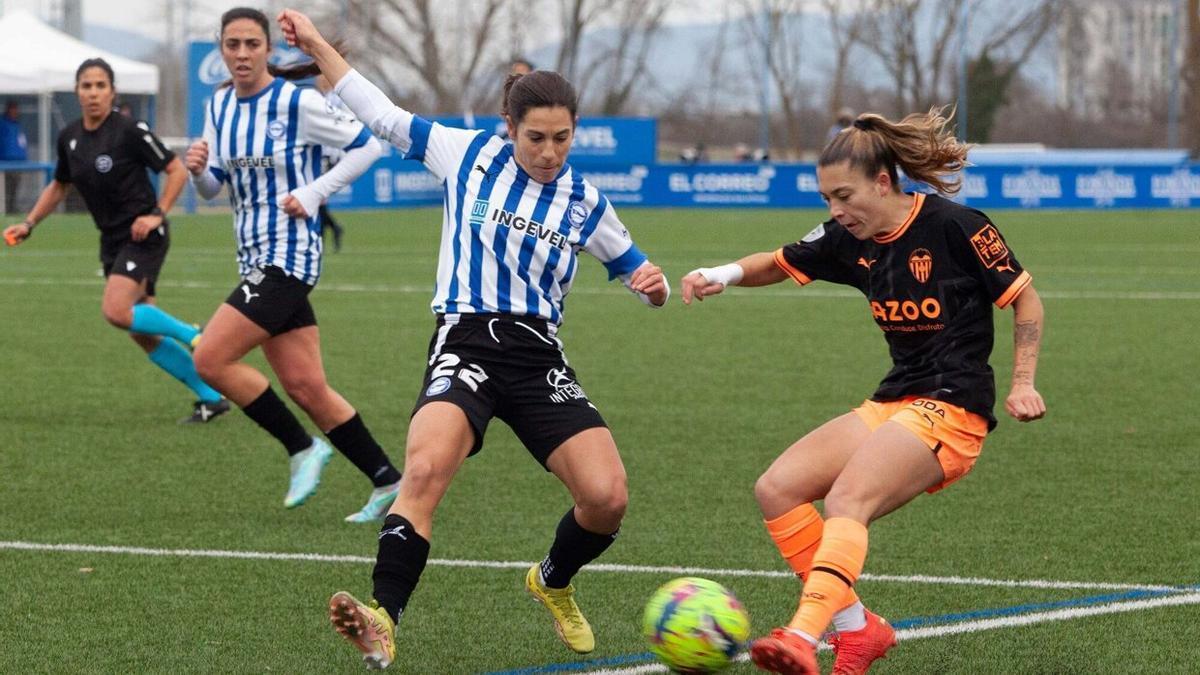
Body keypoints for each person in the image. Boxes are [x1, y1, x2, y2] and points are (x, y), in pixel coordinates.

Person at [278, 9, 670, 669]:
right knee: (426, 469)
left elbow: (638, 270)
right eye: (536, 138)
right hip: (467, 342)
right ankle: (383, 619)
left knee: (606, 499)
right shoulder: (466, 153)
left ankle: (551, 578)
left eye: (562, 139)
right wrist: (317, 46)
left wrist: (651, 284)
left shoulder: (585, 199)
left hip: (539, 354)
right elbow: (380, 113)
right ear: (508, 128)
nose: (549, 153)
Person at [681, 109, 1046, 675]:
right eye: (827, 199)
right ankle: (859, 631)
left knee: (848, 499)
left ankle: (804, 634)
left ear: (883, 182)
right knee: (777, 488)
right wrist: (721, 273)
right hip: (894, 400)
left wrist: (1022, 383)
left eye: (843, 196)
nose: (835, 211)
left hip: (953, 405)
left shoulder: (957, 225)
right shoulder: (845, 239)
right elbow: (778, 263)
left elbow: (1025, 300)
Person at [185, 7, 400, 522]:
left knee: (209, 359)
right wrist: (197, 175)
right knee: (306, 386)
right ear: (222, 50)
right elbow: (216, 186)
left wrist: (312, 191)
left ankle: (303, 447)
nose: (241, 54)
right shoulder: (218, 106)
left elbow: (367, 148)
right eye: (232, 45)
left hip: (289, 255)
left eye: (251, 45)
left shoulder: (295, 101)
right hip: (253, 257)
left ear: (267, 50)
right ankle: (388, 479)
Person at [3, 59, 230, 424]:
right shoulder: (70, 137)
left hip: (144, 234)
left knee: (115, 311)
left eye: (100, 86)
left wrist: (157, 212)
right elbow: (60, 185)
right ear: (77, 92)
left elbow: (174, 169)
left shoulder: (129, 130)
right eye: (86, 86)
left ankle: (195, 335)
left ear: (112, 91)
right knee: (140, 331)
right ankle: (210, 396)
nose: (93, 93)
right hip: (111, 241)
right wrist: (29, 223)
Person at [312, 73, 347, 252]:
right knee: (319, 198)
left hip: (330, 155)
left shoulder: (335, 99)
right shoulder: (323, 97)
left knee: (318, 196)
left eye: (322, 77)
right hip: (322, 154)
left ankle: (323, 236)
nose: (319, 81)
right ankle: (331, 230)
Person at [1, 100, 29, 214]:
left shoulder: (17, 125)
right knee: (5, 188)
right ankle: (6, 209)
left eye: (16, 109)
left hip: (19, 163)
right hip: (5, 163)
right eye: (13, 109)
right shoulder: (2, 124)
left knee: (15, 187)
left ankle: (12, 208)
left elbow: (21, 142)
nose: (15, 111)